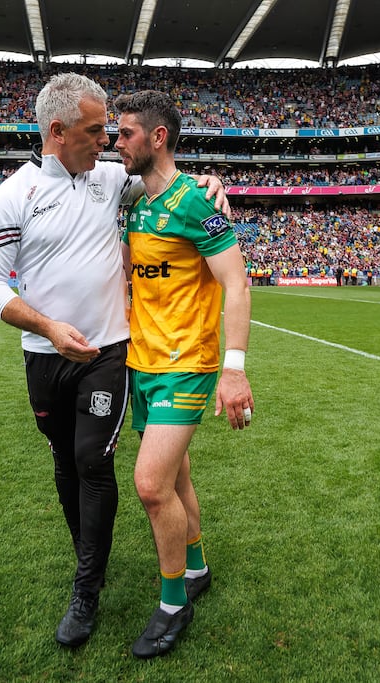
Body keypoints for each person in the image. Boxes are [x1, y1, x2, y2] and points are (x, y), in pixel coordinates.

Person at [0, 73, 228, 650]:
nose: (107, 141)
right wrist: (45, 326)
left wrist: (213, 182)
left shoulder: (111, 179)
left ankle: (86, 588)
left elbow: (169, 184)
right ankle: (98, 563)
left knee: (95, 459)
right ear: (57, 132)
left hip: (110, 353)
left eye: (110, 130)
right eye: (94, 131)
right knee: (67, 462)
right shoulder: (14, 195)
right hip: (44, 355)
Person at [114, 90, 254, 659]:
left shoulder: (196, 203)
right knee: (174, 479)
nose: (114, 142)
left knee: (150, 486)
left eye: (124, 134)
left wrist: (235, 369)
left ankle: (174, 604)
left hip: (185, 366)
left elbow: (237, 284)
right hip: (142, 363)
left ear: (158, 137)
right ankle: (195, 567)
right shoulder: (136, 204)